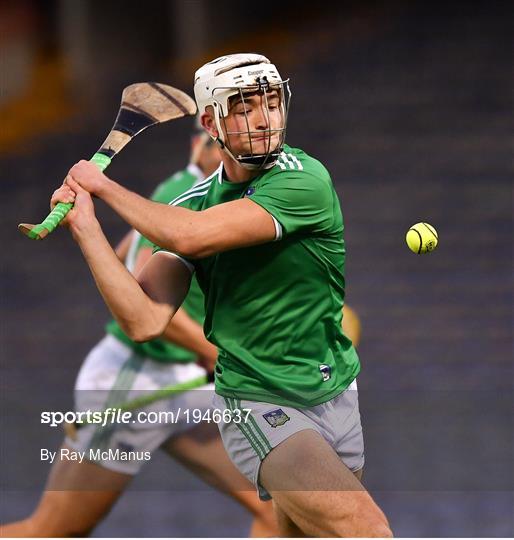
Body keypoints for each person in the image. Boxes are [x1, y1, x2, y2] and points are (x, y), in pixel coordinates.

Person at [39, 53, 391, 537]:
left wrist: (102, 186)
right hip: (261, 400)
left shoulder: (303, 180)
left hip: (335, 391)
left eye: (271, 102)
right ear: (210, 122)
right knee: (365, 530)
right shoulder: (192, 203)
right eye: (244, 107)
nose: (265, 118)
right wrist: (86, 227)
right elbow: (142, 320)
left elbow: (193, 235)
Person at [1, 126, 277, 538]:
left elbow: (121, 253)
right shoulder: (184, 190)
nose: (229, 154)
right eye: (219, 144)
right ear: (196, 147)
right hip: (133, 383)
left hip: (186, 386)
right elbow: (135, 286)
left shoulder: (219, 196)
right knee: (53, 531)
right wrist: (213, 349)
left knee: (280, 507)